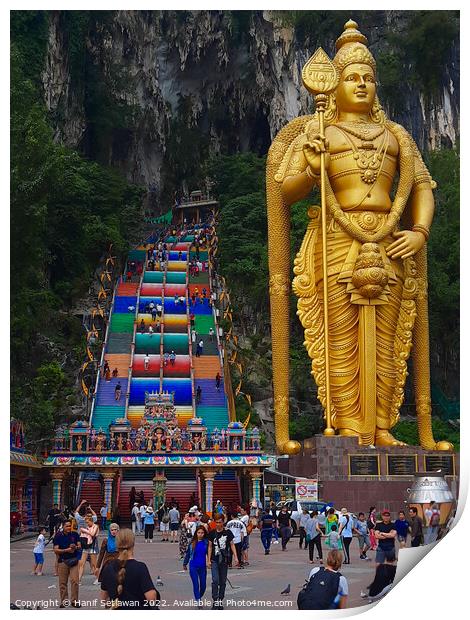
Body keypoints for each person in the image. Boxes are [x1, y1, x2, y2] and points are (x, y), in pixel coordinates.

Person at [100, 529, 159, 609]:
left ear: (117, 545)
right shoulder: (140, 567)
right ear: (133, 544)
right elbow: (151, 598)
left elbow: (104, 599)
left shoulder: (108, 567)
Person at [208, 513, 239, 609]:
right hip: (214, 560)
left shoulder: (228, 533)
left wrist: (236, 557)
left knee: (222, 582)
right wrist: (208, 560)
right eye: (216, 522)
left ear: (223, 522)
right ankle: (215, 600)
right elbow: (209, 546)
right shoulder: (212, 533)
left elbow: (232, 544)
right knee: (215, 580)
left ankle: (220, 600)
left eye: (220, 522)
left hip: (224, 561)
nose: (218, 524)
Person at [53, 519, 82, 608]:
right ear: (63, 527)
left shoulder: (75, 534)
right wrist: (66, 550)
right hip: (63, 561)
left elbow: (79, 546)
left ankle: (74, 601)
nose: (69, 528)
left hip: (73, 560)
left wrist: (75, 547)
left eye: (70, 526)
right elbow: (55, 549)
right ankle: (64, 601)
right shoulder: (58, 536)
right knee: (63, 582)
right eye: (67, 526)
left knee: (75, 581)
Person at [183, 525, 209, 607]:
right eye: (199, 533)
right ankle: (198, 601)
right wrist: (185, 563)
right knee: (196, 584)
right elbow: (188, 554)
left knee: (203, 585)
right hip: (193, 565)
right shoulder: (192, 542)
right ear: (196, 533)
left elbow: (210, 553)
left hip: (203, 566)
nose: (200, 534)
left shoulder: (206, 542)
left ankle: (198, 597)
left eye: (202, 533)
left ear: (204, 533)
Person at [78, 514, 99, 583]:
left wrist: (85, 531)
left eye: (87, 522)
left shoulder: (95, 526)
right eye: (86, 522)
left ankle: (98, 578)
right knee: (81, 563)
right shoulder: (86, 527)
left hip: (93, 546)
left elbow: (93, 534)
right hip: (85, 546)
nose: (87, 524)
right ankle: (79, 579)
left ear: (91, 521)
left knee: (94, 564)